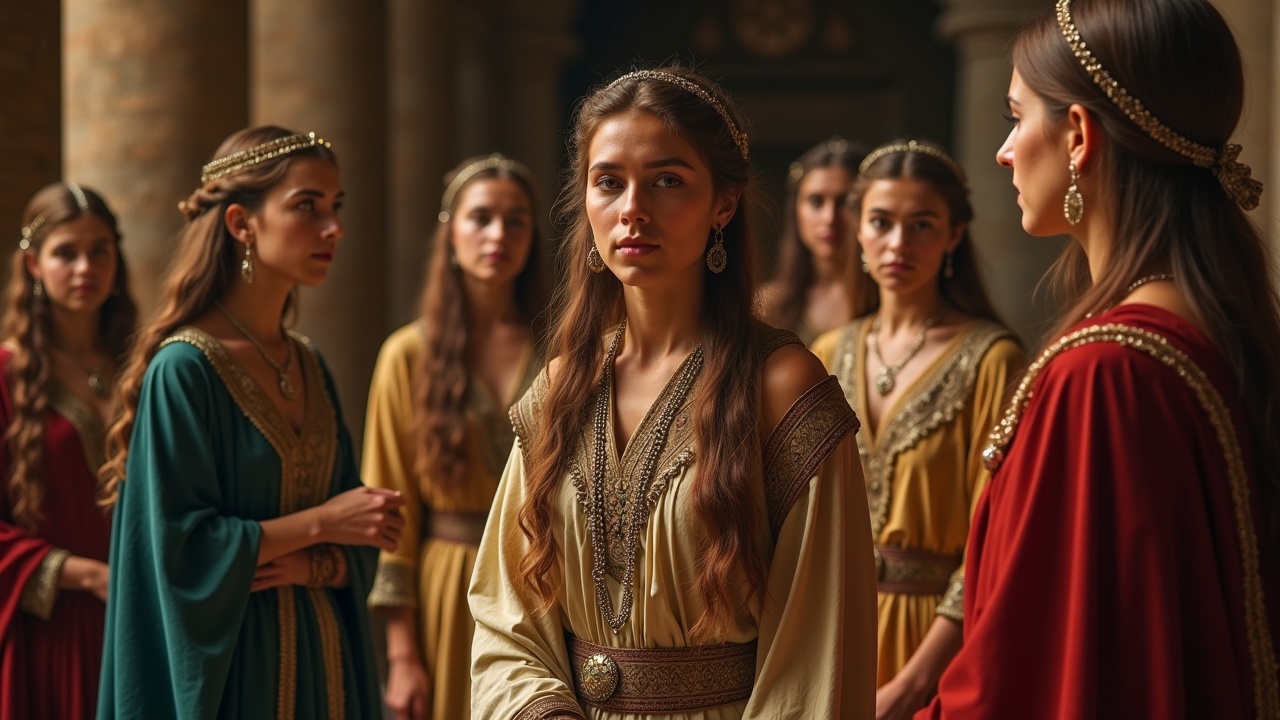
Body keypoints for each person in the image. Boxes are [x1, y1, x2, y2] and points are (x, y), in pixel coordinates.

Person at [468, 66, 878, 720]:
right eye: (608, 182)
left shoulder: (783, 388)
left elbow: (816, 650)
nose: (632, 208)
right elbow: (504, 614)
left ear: (724, 203)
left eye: (667, 181)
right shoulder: (561, 388)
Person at [920, 0, 1280, 717]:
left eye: (1015, 117)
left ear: (1078, 134)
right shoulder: (1219, 326)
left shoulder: (1104, 376)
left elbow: (1027, 673)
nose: (1003, 150)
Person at [97, 126, 404, 719]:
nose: (333, 227)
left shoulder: (308, 363)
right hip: (237, 672)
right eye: (307, 207)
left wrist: (318, 558)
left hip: (327, 665)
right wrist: (321, 524)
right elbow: (179, 551)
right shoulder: (183, 371)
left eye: (336, 207)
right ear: (242, 224)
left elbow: (366, 533)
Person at [809, 139, 1023, 719]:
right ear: (858, 229)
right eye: (881, 221)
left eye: (922, 224)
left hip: (942, 646)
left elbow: (995, 541)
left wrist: (911, 687)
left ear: (954, 235)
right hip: (833, 635)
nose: (899, 243)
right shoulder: (825, 355)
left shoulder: (992, 359)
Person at [364, 153, 547, 720]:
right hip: (451, 590)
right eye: (481, 218)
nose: (499, 234)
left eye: (516, 220)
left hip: (542, 585)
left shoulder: (563, 351)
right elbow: (390, 513)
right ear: (451, 233)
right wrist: (401, 655)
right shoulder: (407, 355)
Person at [0, 183, 136, 720]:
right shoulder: (5, 377)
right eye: (66, 253)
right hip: (51, 630)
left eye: (99, 250)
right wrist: (90, 576)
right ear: (34, 264)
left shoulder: (142, 368)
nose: (86, 267)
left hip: (140, 618)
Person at [759, 137, 864, 344]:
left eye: (846, 202)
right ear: (796, 209)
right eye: (816, 201)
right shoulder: (766, 305)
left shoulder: (890, 305)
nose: (830, 218)